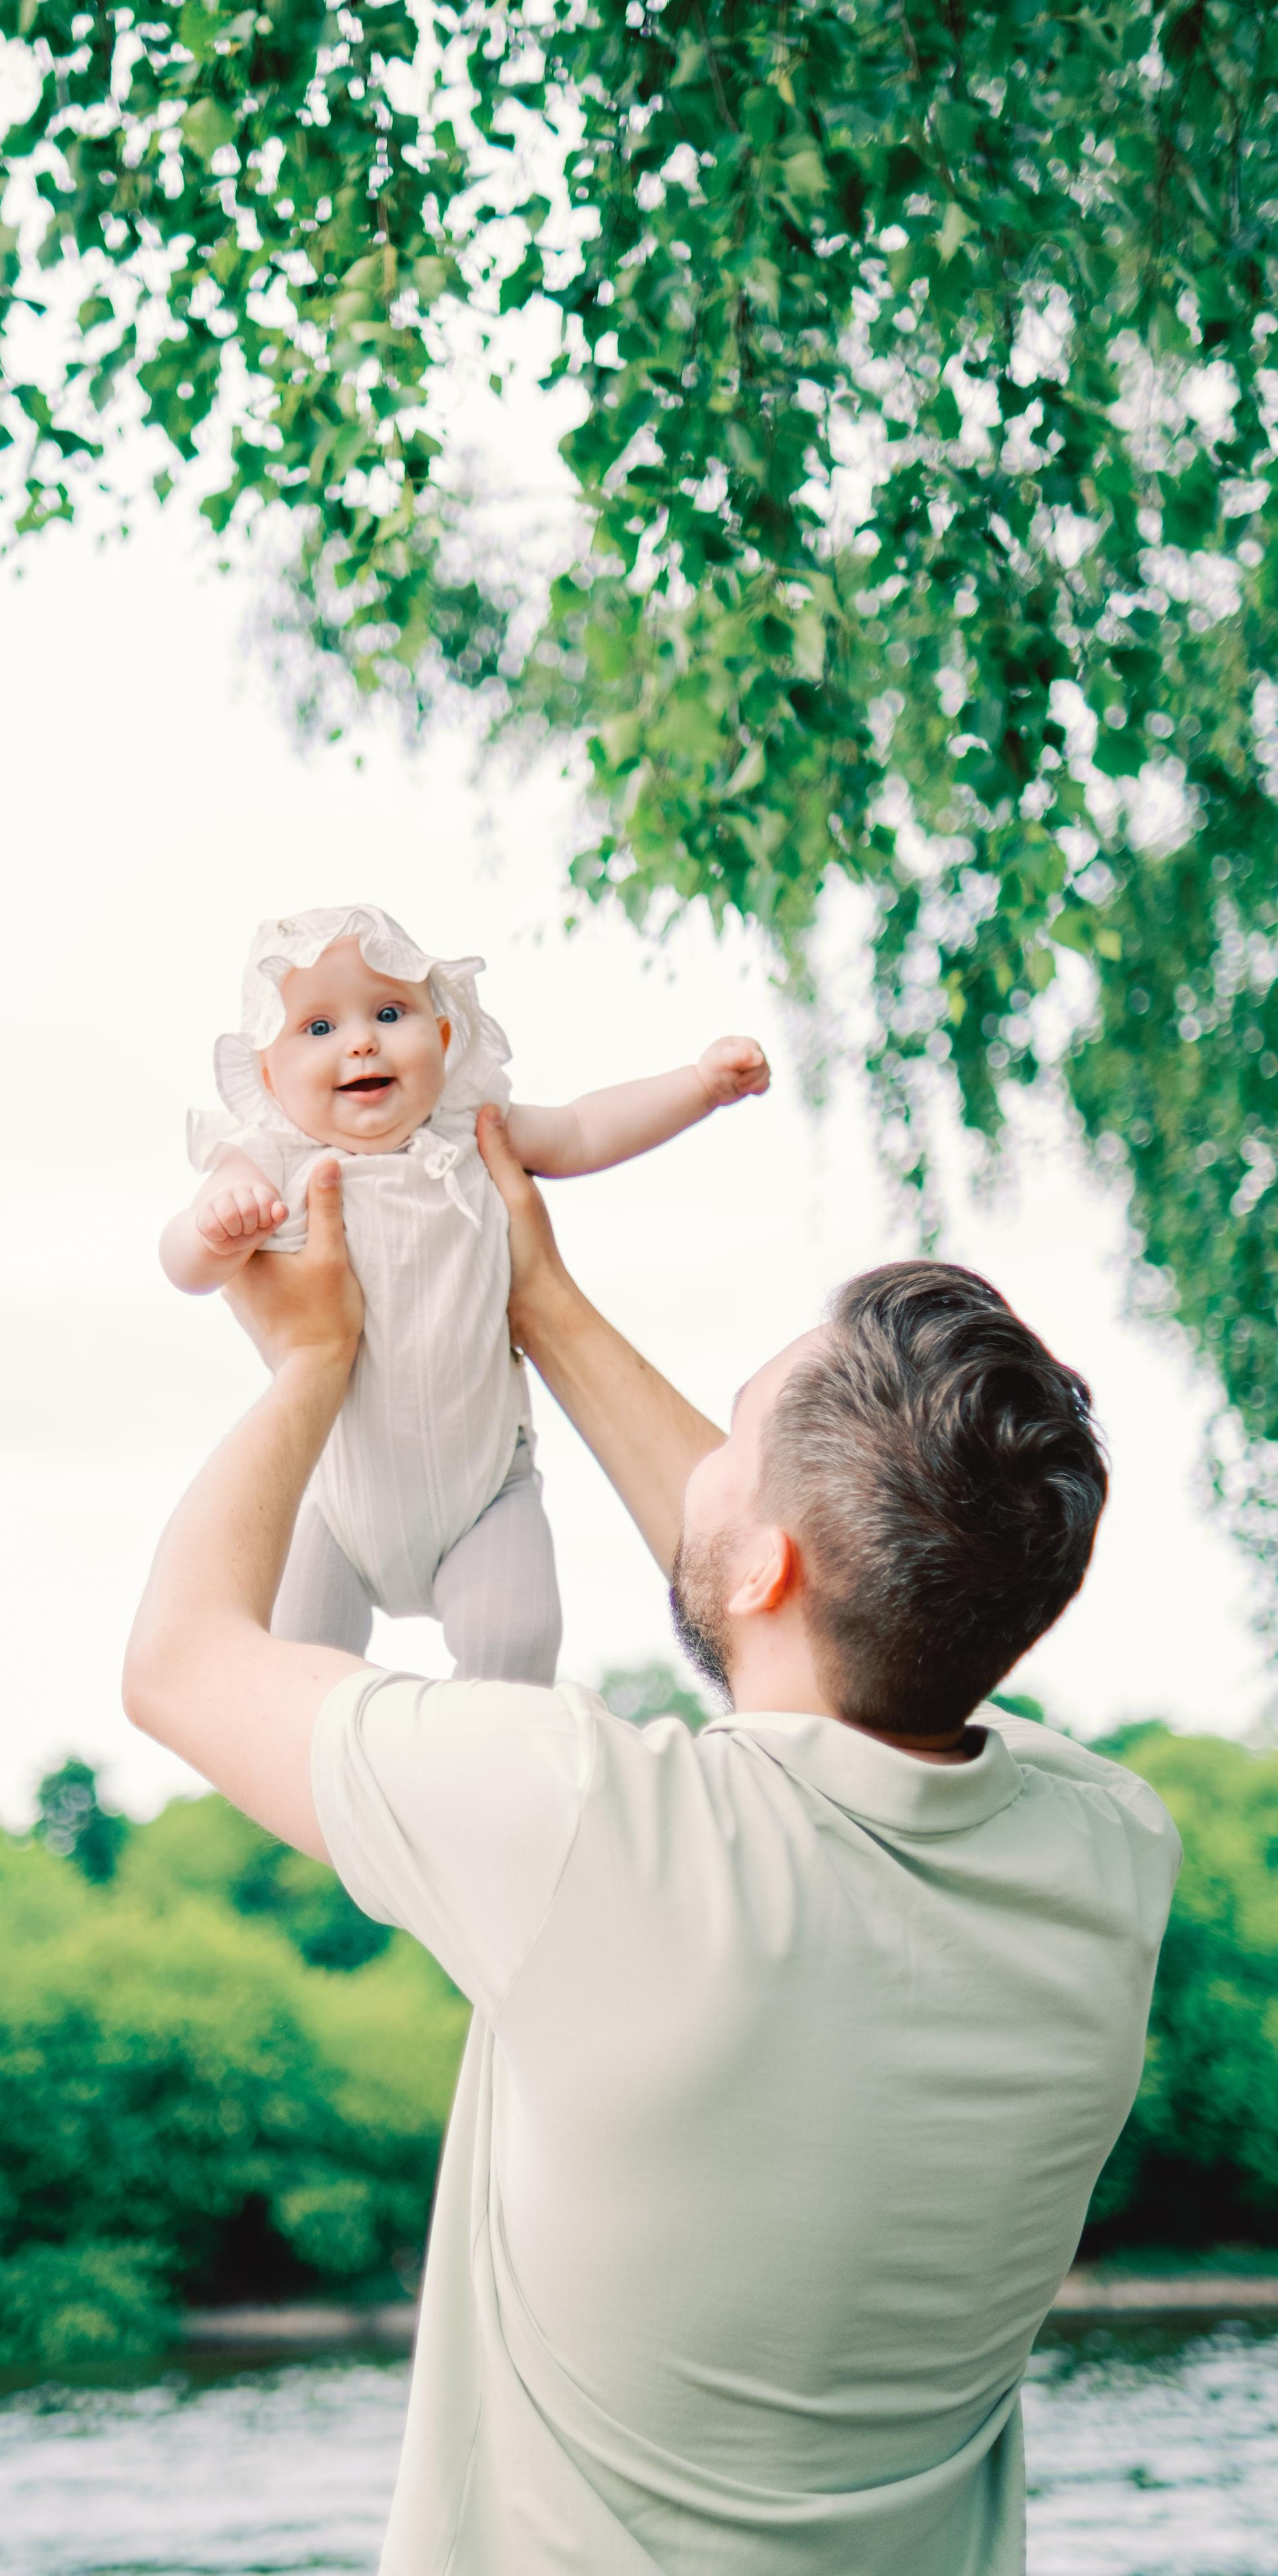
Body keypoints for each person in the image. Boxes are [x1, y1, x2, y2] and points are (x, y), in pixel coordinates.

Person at [124, 1110, 1180, 2575]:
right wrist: (537, 1301)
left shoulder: (586, 1828)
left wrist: (313, 1363)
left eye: (730, 1438)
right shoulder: (1104, 1855)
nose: (698, 1462)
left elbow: (180, 1661)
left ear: (765, 1554)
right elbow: (832, 1600)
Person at [160, 902, 768, 1680]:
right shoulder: (268, 1159)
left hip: (485, 1493)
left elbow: (584, 1129)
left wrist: (699, 1085)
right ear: (270, 1077)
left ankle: (487, 1785)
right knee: (297, 1668)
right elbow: (183, 1263)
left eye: (389, 1012)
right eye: (318, 1028)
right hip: (337, 1504)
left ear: (444, 1039)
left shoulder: (471, 1131)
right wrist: (216, 1228)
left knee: (516, 1644)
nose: (361, 1040)